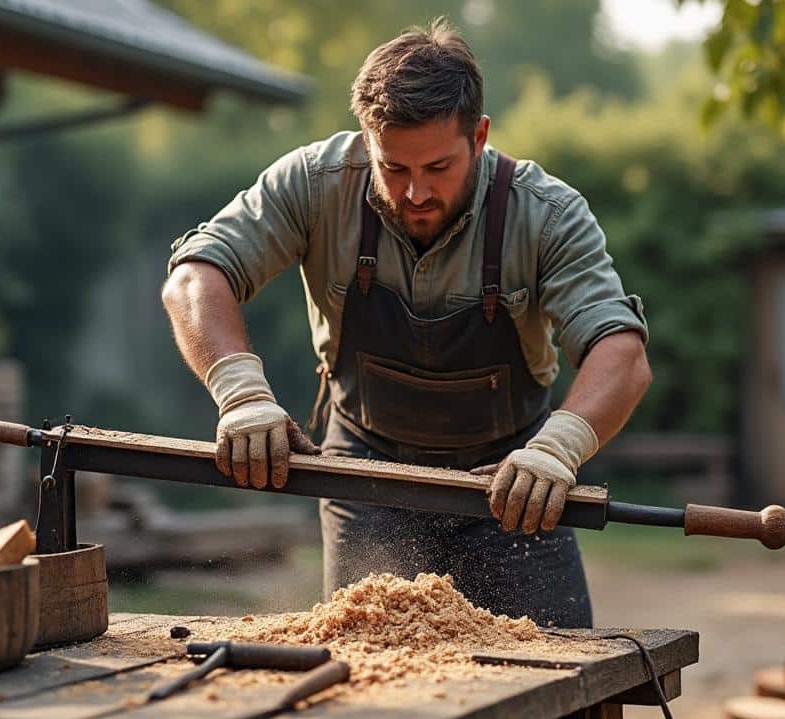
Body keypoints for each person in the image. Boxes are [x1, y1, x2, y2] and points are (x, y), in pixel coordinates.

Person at [161, 19, 650, 627]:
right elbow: (194, 276)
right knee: (371, 680)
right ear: (367, 140)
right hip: (367, 478)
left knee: (556, 685)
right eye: (393, 168)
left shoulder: (547, 214)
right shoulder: (313, 184)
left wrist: (560, 448)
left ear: (480, 135)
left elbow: (621, 350)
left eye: (438, 167)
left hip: (515, 485)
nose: (416, 192)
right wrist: (240, 393)